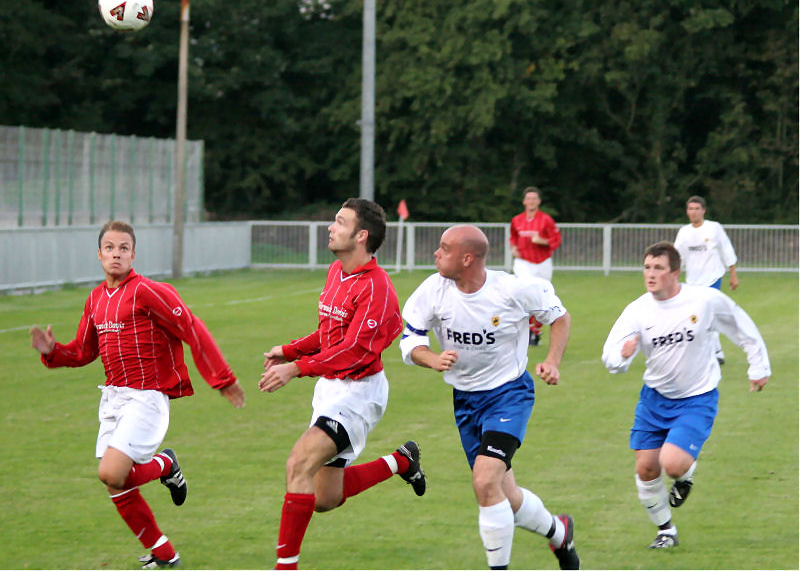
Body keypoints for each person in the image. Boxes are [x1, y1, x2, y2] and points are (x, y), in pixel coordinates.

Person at [30, 220, 245, 569]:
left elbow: (192, 327)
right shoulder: (96, 298)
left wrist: (222, 378)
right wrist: (53, 350)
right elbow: (84, 352)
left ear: (134, 255)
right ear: (99, 254)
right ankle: (164, 554)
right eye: (110, 248)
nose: (116, 254)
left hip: (147, 398)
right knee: (117, 484)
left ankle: (165, 463)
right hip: (113, 399)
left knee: (111, 473)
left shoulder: (147, 291)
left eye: (124, 248)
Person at [258, 198, 426, 570]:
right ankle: (400, 461)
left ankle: (285, 566)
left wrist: (297, 368)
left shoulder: (378, 289)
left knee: (298, 463)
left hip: (359, 394)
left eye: (339, 221)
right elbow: (328, 334)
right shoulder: (337, 271)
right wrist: (288, 350)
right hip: (331, 389)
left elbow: (354, 352)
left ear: (361, 235)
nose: (331, 227)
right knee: (324, 498)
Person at [399, 224, 578, 570]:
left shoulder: (512, 289)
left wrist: (552, 362)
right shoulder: (432, 290)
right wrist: (432, 359)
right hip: (466, 401)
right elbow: (410, 340)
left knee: (484, 481)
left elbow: (560, 317)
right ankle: (559, 532)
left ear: (467, 258)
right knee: (503, 496)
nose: (436, 253)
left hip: (508, 394)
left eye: (444, 247)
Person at [601, 241, 770, 550]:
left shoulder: (703, 300)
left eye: (658, 268)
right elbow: (610, 357)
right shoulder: (637, 310)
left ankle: (685, 474)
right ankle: (666, 530)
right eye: (647, 267)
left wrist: (758, 366)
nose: (650, 274)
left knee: (673, 464)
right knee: (646, 469)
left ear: (675, 273)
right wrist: (622, 355)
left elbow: (740, 326)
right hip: (654, 398)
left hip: (697, 398)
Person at [673, 195, 739, 364]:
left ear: (703, 210)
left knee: (708, 313)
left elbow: (726, 249)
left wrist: (733, 273)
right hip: (693, 282)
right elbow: (677, 256)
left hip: (712, 279)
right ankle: (708, 350)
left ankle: (717, 353)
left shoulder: (714, 228)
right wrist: (672, 276)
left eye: (696, 209)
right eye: (690, 209)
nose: (693, 212)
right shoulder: (684, 232)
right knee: (695, 316)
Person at [509, 187, 562, 346]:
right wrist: (513, 248)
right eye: (528, 198)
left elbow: (556, 240)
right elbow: (513, 237)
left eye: (534, 198)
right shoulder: (517, 220)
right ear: (524, 201)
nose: (531, 201)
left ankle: (535, 330)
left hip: (542, 262)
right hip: (523, 262)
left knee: (542, 296)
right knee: (524, 294)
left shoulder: (546, 220)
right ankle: (522, 329)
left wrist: (543, 241)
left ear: (539, 201)